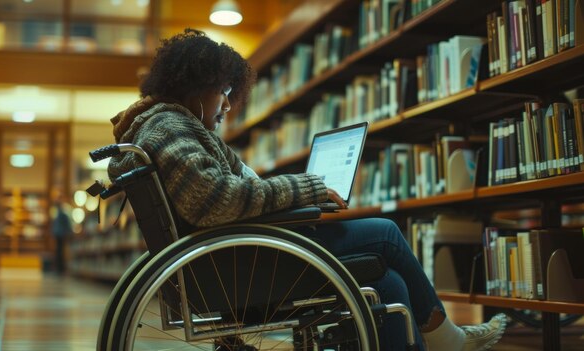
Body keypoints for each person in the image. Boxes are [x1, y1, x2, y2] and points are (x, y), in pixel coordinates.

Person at [108, 29, 506, 351]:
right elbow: (216, 200)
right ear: (197, 87)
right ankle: (451, 342)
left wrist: (293, 194)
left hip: (235, 257)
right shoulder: (171, 128)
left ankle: (438, 341)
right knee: (385, 234)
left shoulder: (168, 125)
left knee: (387, 283)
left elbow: (229, 186)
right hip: (241, 266)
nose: (228, 106)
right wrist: (305, 188)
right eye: (224, 91)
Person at [51, 194, 72, 275]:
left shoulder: (59, 210)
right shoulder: (60, 210)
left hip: (59, 233)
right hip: (59, 233)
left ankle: (60, 269)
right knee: (59, 251)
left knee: (59, 251)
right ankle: (60, 269)